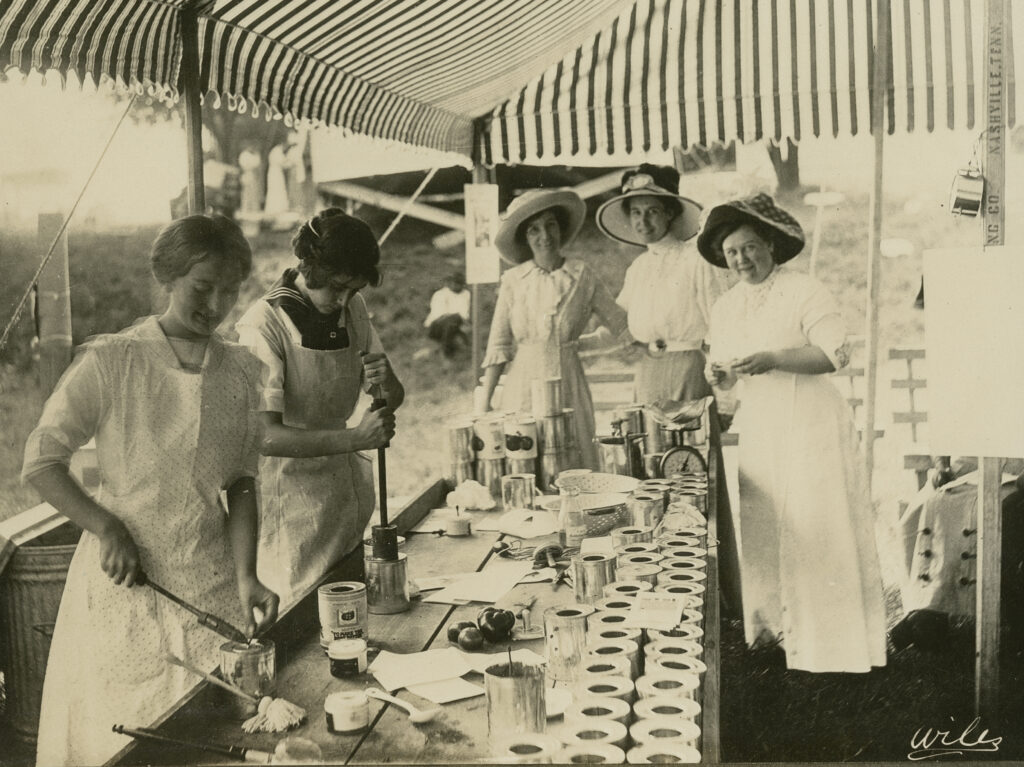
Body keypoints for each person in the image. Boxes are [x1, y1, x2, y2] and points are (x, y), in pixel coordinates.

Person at [22, 215, 279, 766]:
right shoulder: (114, 360)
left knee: (214, 739)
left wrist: (246, 575)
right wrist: (105, 525)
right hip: (125, 582)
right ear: (169, 278)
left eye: (230, 291)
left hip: (208, 584)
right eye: (202, 288)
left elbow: (241, 484)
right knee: (126, 739)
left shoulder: (239, 371)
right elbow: (42, 463)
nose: (216, 304)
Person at [699, 193, 887, 673]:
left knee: (816, 527)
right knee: (768, 526)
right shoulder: (724, 307)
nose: (741, 259)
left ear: (770, 243)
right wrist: (721, 378)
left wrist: (775, 357)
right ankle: (776, 637)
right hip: (762, 423)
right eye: (731, 253)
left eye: (748, 247)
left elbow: (835, 356)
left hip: (810, 420)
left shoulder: (805, 289)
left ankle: (833, 646)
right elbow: (726, 372)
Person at [235, 208, 403, 608]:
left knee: (351, 611)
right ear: (310, 267)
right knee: (304, 617)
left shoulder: (351, 307)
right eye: (338, 287)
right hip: (290, 506)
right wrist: (356, 437)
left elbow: (389, 397)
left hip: (344, 495)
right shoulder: (264, 325)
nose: (345, 300)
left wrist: (388, 381)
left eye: (355, 289)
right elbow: (265, 436)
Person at [480, 189, 631, 470]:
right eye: (534, 230)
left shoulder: (582, 275)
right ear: (525, 238)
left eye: (550, 225)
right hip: (523, 385)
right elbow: (498, 346)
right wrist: (484, 404)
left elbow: (621, 324)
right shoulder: (514, 281)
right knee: (526, 462)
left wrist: (658, 346)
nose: (544, 236)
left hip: (569, 384)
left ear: (560, 229)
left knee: (574, 462)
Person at [596, 164, 732, 403]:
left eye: (652, 211)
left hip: (689, 367)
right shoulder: (639, 268)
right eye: (636, 213)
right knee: (649, 438)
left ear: (669, 212)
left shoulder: (696, 260)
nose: (643, 221)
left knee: (688, 439)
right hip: (648, 370)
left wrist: (723, 385)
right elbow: (618, 321)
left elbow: (721, 322)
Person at [892, 457, 1024, 652]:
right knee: (925, 509)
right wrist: (941, 466)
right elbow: (945, 434)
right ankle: (927, 607)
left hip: (1015, 469)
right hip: (968, 467)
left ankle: (934, 609)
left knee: (986, 510)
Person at [424, 270, 470, 357]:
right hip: (437, 325)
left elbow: (465, 313)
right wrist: (453, 316)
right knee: (452, 321)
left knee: (454, 321)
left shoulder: (466, 294)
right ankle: (447, 352)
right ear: (449, 283)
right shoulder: (440, 294)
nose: (456, 285)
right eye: (454, 282)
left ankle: (448, 351)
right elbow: (438, 313)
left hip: (456, 322)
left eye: (459, 283)